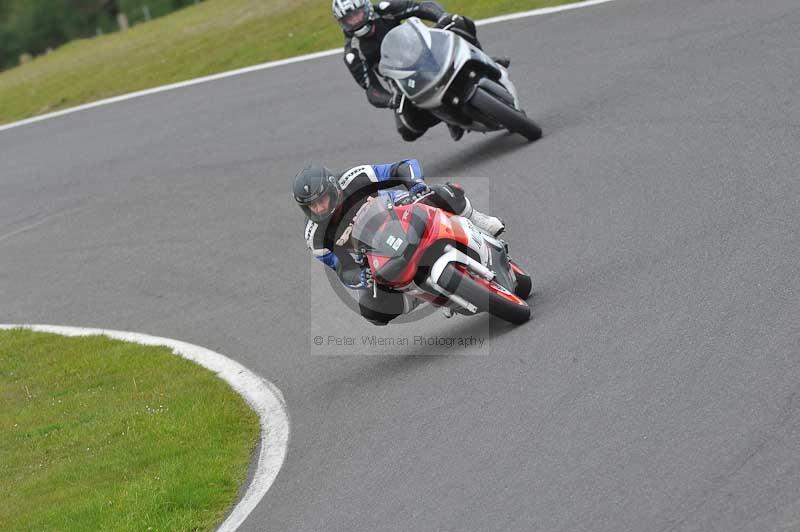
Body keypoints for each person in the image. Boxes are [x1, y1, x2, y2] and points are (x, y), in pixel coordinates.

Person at [293, 160, 504, 325]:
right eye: (312, 206)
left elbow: (402, 166)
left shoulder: (354, 177)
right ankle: (428, 295)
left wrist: (416, 185)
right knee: (371, 310)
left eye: (322, 200)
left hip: (401, 212)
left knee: (443, 192)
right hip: (375, 256)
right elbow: (341, 267)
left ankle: (477, 219)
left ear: (333, 189)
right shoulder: (315, 237)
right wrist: (360, 275)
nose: (319, 208)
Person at [332, 0, 501, 142]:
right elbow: (371, 89)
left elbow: (421, 7)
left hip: (429, 52)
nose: (355, 21)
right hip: (402, 81)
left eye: (357, 14)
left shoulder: (385, 10)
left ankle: (485, 60)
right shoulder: (353, 52)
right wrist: (391, 100)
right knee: (408, 129)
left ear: (366, 8)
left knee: (458, 21)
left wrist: (442, 17)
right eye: (349, 19)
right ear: (342, 24)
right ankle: (448, 118)